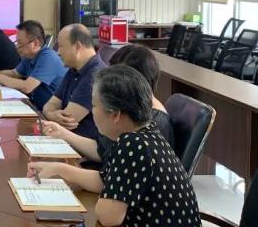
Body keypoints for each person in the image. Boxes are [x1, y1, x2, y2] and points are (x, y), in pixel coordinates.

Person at [29, 65, 217, 227]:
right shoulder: (144, 134)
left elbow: (109, 216)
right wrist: (60, 170)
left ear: (115, 114)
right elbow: (107, 181)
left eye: (94, 105)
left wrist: (99, 197)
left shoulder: (133, 145)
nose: (92, 112)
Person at [42, 44, 174, 166]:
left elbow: (108, 159)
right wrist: (62, 133)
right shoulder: (134, 107)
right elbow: (103, 148)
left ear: (136, 80)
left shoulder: (151, 121)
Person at [0, 20, 66, 109]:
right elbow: (15, 73)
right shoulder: (29, 56)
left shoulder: (48, 57)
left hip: (51, 112)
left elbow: (27, 87)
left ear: (35, 43)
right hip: (36, 106)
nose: (17, 47)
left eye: (20, 42)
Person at [42, 24, 106, 140]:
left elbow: (68, 120)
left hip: (83, 146)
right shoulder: (73, 69)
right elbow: (50, 104)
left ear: (77, 47)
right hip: (66, 140)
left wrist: (50, 114)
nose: (58, 52)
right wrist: (51, 114)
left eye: (61, 46)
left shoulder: (96, 75)